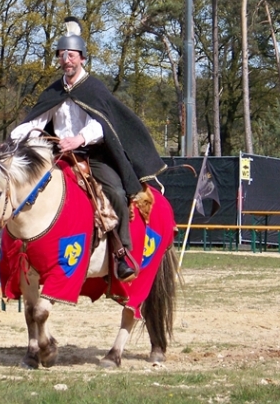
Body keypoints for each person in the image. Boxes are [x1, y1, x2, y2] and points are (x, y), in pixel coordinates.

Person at [10, 17, 167, 282]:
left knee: (115, 192)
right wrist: (14, 138)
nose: (66, 60)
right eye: (62, 56)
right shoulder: (54, 90)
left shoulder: (94, 89)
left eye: (71, 55)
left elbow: (101, 125)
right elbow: (36, 121)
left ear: (82, 58)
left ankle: (122, 253)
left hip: (92, 155)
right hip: (58, 155)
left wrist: (79, 139)